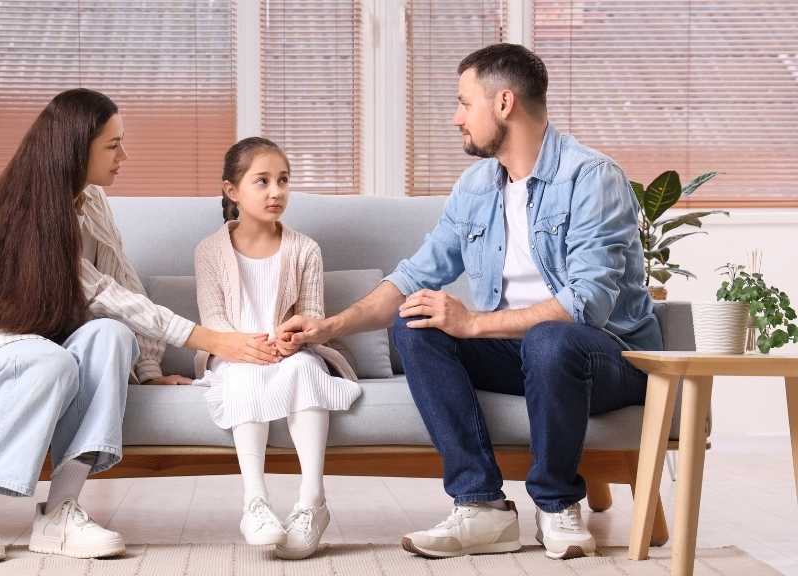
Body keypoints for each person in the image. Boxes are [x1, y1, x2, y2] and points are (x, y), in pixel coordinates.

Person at [276, 44, 662, 560]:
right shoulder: (477, 186)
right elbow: (413, 276)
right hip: (524, 354)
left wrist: (474, 322)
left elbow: (587, 304)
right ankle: (481, 507)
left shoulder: (591, 178)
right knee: (415, 324)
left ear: (504, 103)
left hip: (607, 360)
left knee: (551, 339)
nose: (456, 118)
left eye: (464, 102)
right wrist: (329, 326)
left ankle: (555, 504)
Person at [0, 88, 280, 563]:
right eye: (113, 145)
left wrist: (148, 368)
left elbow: (124, 283)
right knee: (49, 359)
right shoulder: (31, 211)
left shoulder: (91, 201)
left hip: (38, 353)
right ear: (77, 148)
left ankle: (60, 510)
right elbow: (102, 293)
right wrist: (213, 339)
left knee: (108, 334)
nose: (124, 156)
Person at [193, 137, 362, 560]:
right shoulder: (209, 250)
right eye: (262, 181)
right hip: (234, 353)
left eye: (283, 181)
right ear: (232, 191)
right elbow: (214, 321)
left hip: (291, 355)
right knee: (244, 374)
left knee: (305, 370)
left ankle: (312, 503)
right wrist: (245, 348)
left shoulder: (305, 249)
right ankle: (255, 502)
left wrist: (295, 338)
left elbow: (312, 315)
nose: (276, 192)